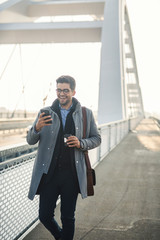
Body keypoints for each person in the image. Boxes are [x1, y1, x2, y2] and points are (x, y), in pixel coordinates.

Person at [27, 75, 101, 240]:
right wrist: (36, 128)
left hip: (72, 175)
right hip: (49, 174)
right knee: (44, 215)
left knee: (68, 217)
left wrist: (81, 142)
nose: (62, 93)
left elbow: (97, 138)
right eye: (59, 90)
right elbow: (30, 140)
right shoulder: (45, 113)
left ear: (73, 92)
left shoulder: (85, 114)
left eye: (65, 90)